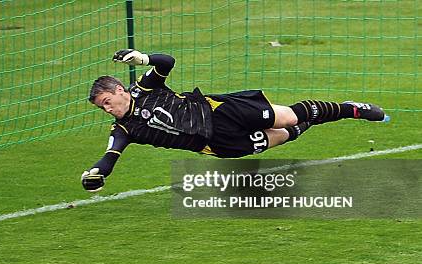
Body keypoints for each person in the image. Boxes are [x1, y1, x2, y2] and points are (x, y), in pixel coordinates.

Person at [81, 49, 386, 192]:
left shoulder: (145, 88)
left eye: (107, 102)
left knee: (289, 115)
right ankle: (304, 127)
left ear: (119, 90)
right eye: (102, 108)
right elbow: (111, 154)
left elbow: (167, 62)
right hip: (215, 143)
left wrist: (143, 59)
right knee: (281, 134)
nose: (108, 110)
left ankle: (351, 109)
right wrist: (97, 173)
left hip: (219, 110)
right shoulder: (123, 129)